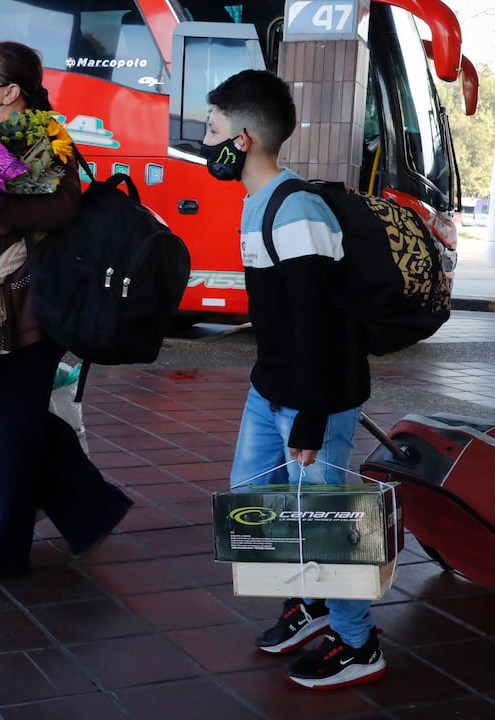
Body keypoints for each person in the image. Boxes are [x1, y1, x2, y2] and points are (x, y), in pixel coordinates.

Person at [201, 70, 383, 689]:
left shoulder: (293, 207)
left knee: (327, 519)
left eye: (214, 129)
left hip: (316, 394)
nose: (207, 141)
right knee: (258, 503)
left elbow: (318, 324)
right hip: (273, 387)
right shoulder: (258, 202)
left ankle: (359, 642)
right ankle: (311, 601)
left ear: (244, 138)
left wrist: (308, 412)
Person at [0, 41, 133, 579]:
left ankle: (0, 552)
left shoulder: (48, 135)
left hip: (30, 300)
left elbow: (65, 203)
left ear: (12, 89)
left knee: (4, 427)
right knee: (15, 419)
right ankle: (91, 508)